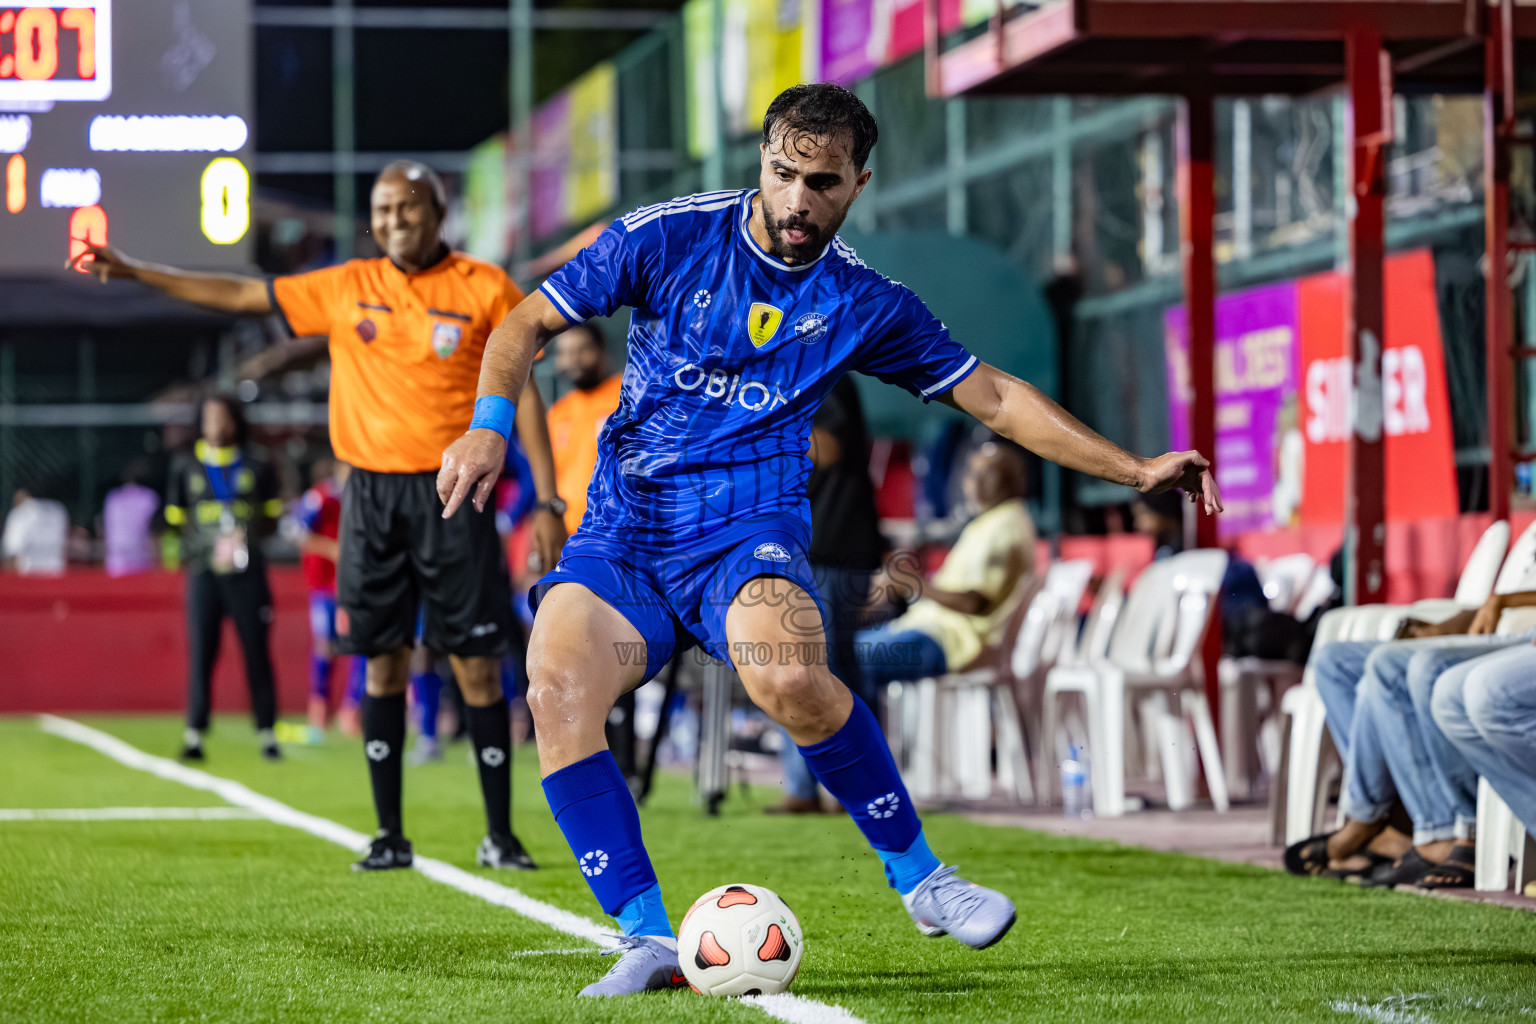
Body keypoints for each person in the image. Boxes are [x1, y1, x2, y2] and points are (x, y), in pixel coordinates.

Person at [437, 83, 1220, 996]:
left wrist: (1132, 471)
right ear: (761, 164)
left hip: (746, 537)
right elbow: (525, 321)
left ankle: (927, 882)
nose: (798, 198)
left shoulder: (862, 300)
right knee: (556, 687)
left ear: (857, 185)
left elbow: (997, 398)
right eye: (782, 173)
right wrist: (490, 425)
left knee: (791, 676)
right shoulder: (668, 238)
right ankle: (648, 938)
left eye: (822, 181)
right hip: (626, 535)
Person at [72, 160, 566, 873]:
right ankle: (390, 835)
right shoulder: (345, 286)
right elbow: (242, 293)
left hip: (456, 494)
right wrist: (138, 271)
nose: (394, 220)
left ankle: (500, 834)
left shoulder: (486, 286)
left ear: (438, 211)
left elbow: (524, 394)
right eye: (382, 209)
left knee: (478, 668)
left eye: (408, 207)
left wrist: (548, 500)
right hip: (368, 499)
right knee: (382, 664)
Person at [1285, 578, 1536, 888]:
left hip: (1521, 637)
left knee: (1403, 671)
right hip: (1500, 628)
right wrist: (1464, 616)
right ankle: (1390, 819)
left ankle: (1436, 827)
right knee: (1334, 662)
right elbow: (1493, 603)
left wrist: (1503, 600)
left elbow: (1508, 603)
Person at [770, 373, 886, 814]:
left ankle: (857, 786)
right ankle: (802, 787)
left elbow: (830, 448)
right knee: (785, 665)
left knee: (832, 670)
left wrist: (763, 431)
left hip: (835, 545)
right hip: (792, 546)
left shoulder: (824, 373)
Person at [853, 443, 1034, 696]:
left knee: (844, 661)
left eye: (990, 473)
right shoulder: (994, 521)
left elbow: (974, 603)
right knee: (834, 654)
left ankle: (861, 736)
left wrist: (910, 584)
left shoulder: (1005, 528)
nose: (976, 483)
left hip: (954, 642)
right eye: (972, 473)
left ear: (1015, 480)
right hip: (936, 631)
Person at [167, 395, 284, 762]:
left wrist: (241, 541)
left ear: (235, 421)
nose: (216, 424)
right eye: (209, 417)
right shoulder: (185, 466)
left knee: (256, 651)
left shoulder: (259, 464)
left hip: (248, 574)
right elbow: (175, 520)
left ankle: (267, 732)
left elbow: (271, 518)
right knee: (202, 652)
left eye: (222, 417)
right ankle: (194, 734)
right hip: (204, 574)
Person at [294, 457, 366, 736]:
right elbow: (297, 532)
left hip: (357, 586)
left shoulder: (365, 497)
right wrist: (331, 549)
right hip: (325, 584)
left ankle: (352, 709)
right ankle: (319, 705)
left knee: (359, 646)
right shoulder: (320, 497)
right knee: (326, 644)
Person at [547, 322, 623, 536]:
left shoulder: (625, 400)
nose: (573, 360)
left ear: (601, 351)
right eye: (565, 353)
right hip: (567, 531)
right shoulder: (558, 411)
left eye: (582, 350)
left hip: (613, 531)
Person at [102, 461, 160, 577]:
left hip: (116, 561)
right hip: (141, 560)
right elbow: (154, 531)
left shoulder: (113, 497)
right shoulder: (150, 497)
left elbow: (107, 528)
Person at [2, 489, 68, 575]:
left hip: (27, 572)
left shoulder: (19, 514)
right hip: (55, 570)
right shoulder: (58, 510)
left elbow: (12, 548)